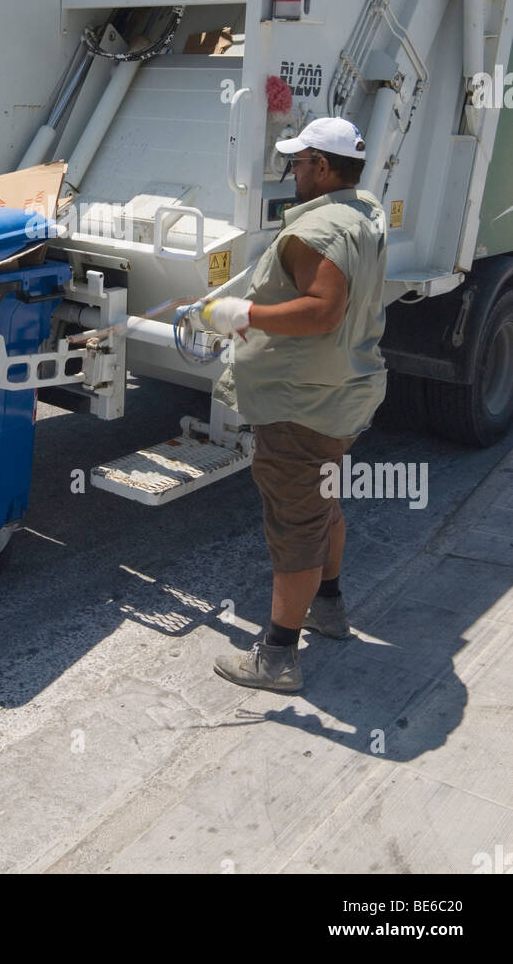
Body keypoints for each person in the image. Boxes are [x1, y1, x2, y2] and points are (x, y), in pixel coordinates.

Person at [186, 117, 387, 693]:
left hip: (301, 405)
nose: (292, 173)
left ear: (323, 167)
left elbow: (322, 309)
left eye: (298, 164)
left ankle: (277, 657)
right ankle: (329, 607)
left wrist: (243, 314)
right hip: (342, 396)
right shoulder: (363, 216)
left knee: (296, 526)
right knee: (323, 502)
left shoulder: (315, 229)